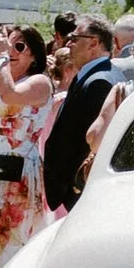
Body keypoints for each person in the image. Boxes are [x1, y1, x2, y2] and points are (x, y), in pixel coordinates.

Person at [0, 25, 59, 268]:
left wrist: (1, 59)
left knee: (8, 243)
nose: (11, 51)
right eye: (7, 45)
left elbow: (11, 96)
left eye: (19, 46)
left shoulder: (39, 82)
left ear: (34, 56)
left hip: (17, 171)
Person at [41, 17, 119, 212]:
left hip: (80, 193)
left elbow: (92, 145)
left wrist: (74, 188)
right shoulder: (93, 75)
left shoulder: (100, 82)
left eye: (75, 38)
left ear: (94, 42)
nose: (69, 43)